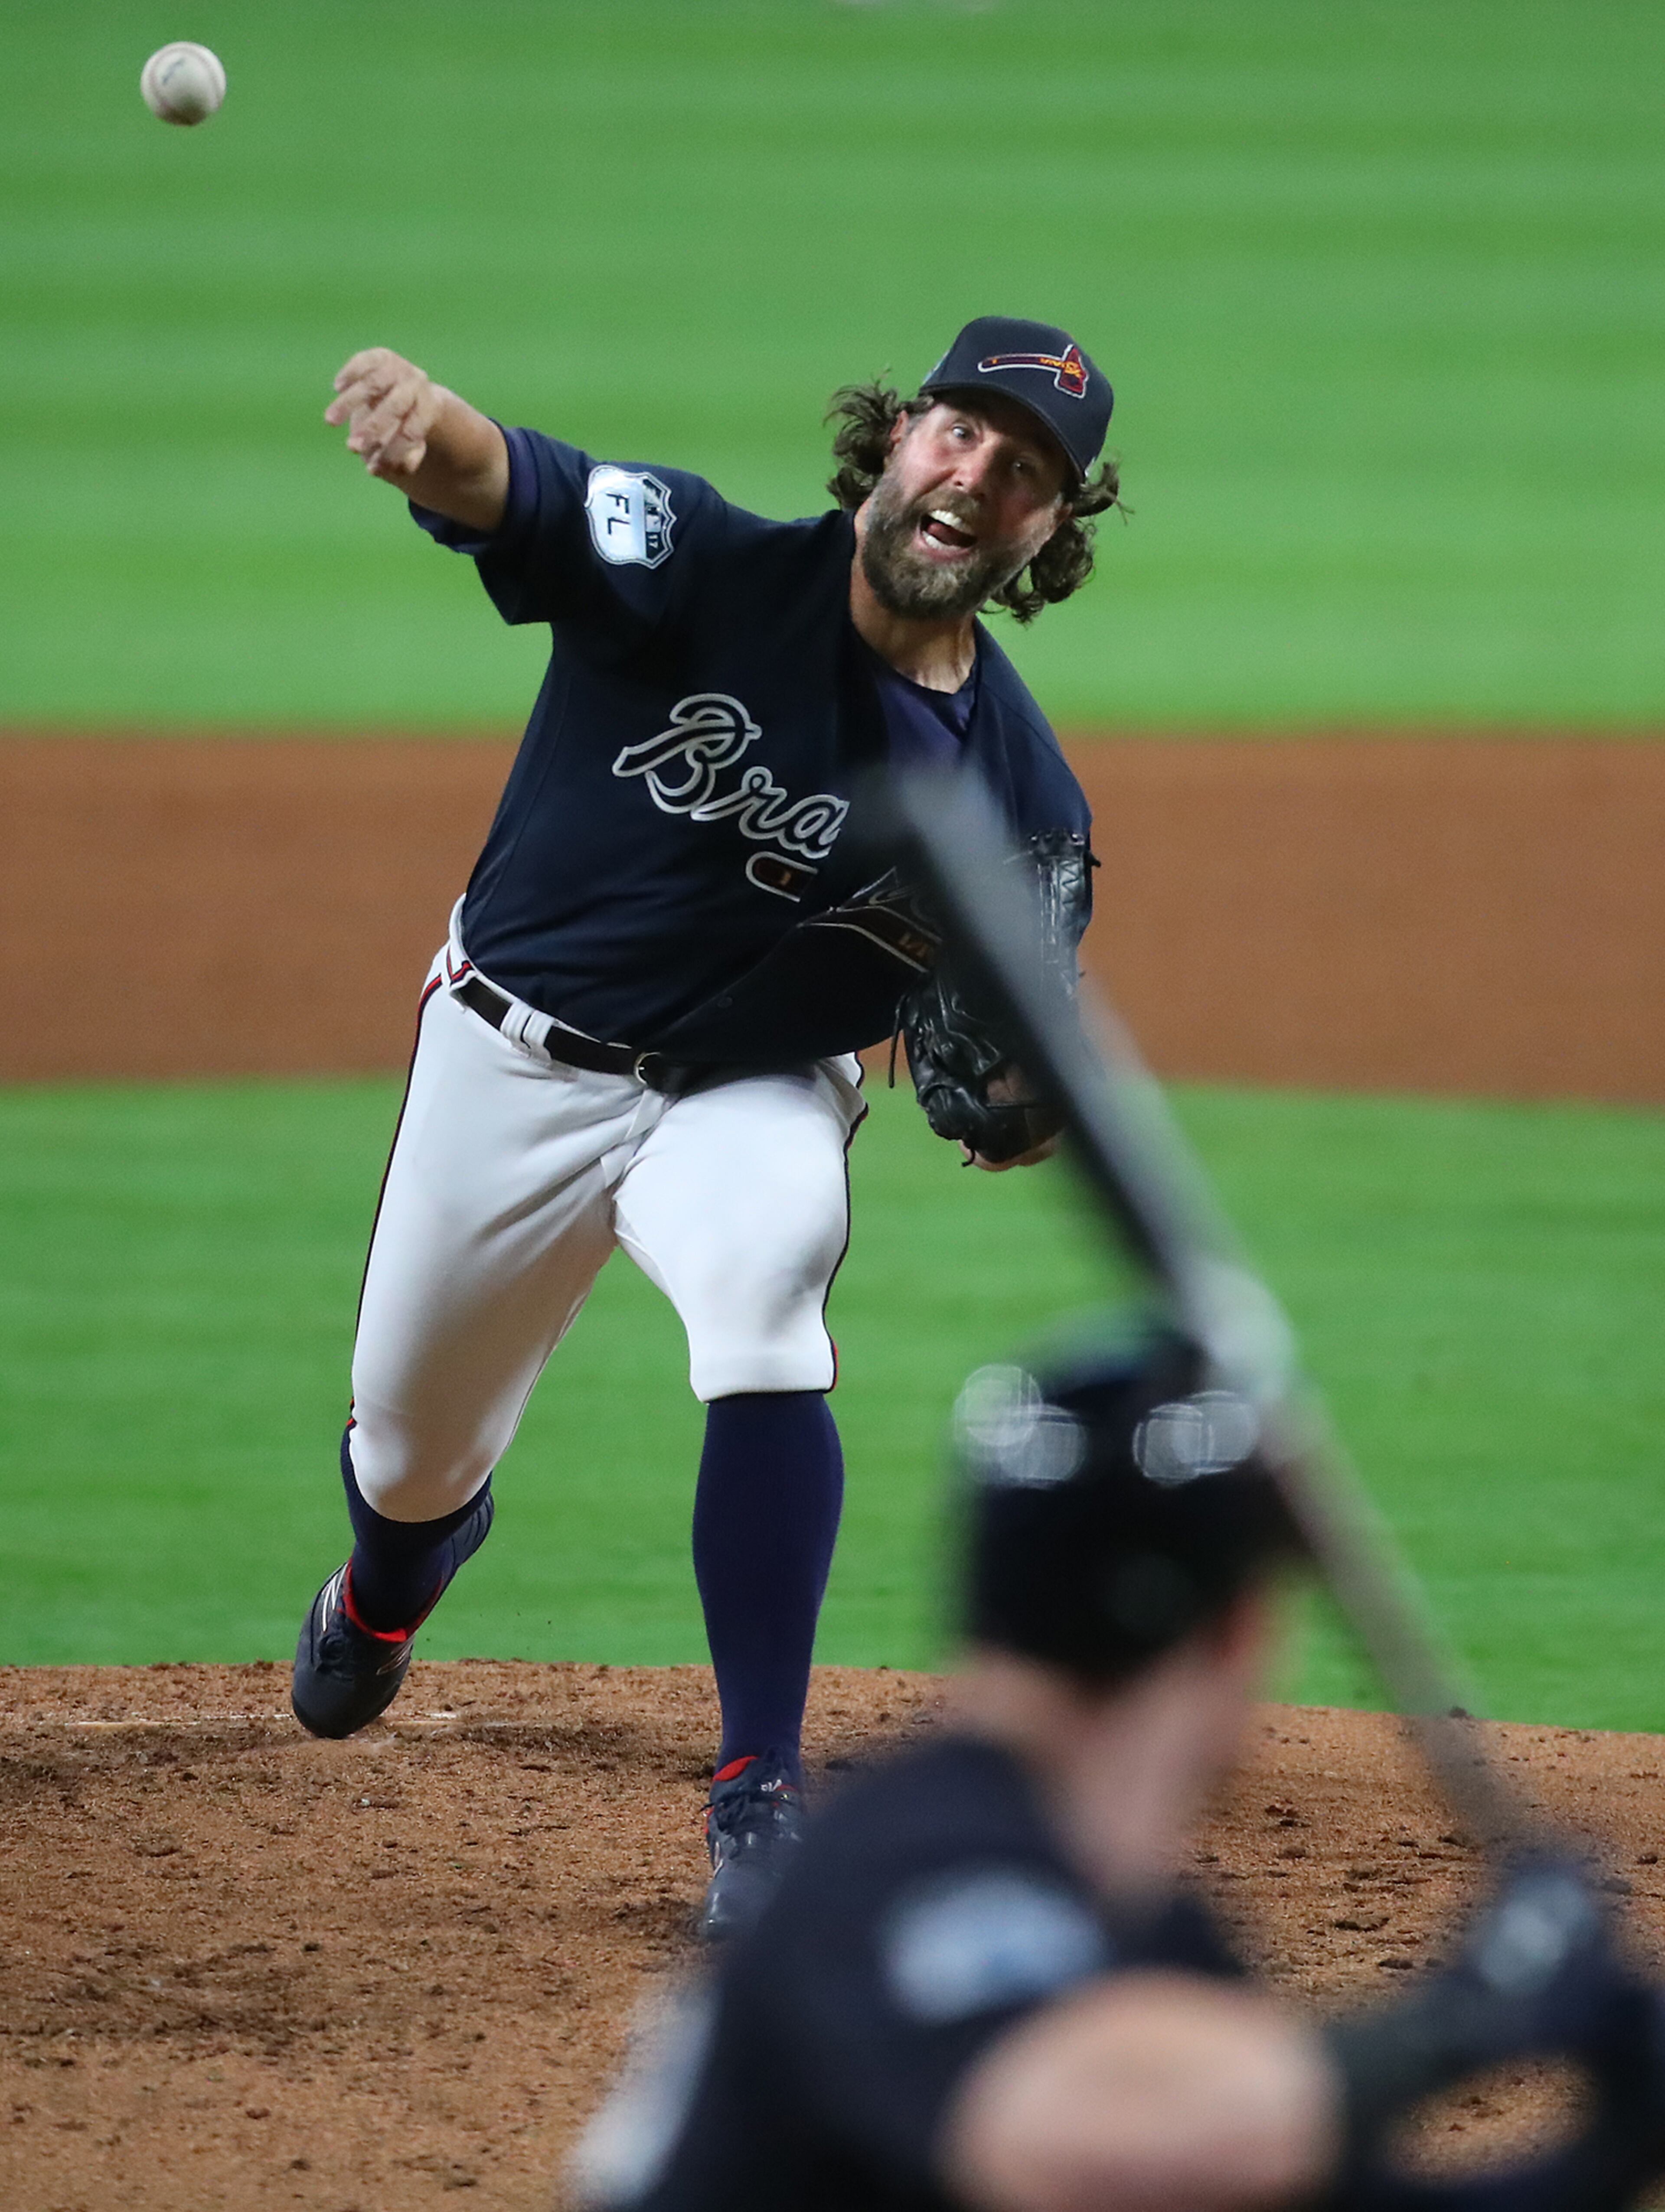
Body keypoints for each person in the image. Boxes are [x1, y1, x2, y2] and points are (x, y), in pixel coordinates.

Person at [291, 316, 1120, 1938]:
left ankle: (760, 1790)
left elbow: (1014, 1088)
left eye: (1023, 477)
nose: (977, 482)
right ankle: (390, 1590)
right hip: (513, 1062)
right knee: (406, 1455)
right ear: (896, 442)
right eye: (961, 437)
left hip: (750, 1089)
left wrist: (1019, 1105)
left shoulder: (1021, 799)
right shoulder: (704, 562)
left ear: (1043, 535)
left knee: (767, 1291)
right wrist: (430, 423)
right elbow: (518, 489)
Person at [571, 1330, 1665, 2211]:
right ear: (1240, 1632)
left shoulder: (1144, 1927)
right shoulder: (901, 1862)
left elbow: (1270, 2169)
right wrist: (1470, 2014)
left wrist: (1602, 2156)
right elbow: (1074, 2146)